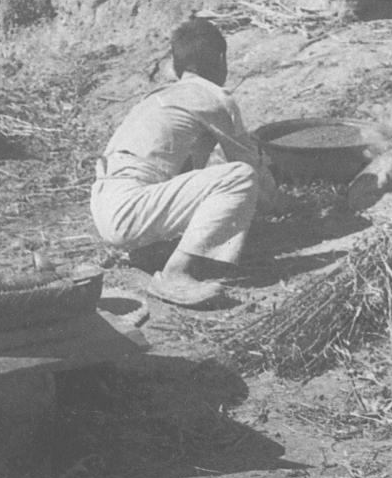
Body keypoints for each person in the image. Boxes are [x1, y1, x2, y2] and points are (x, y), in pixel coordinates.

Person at [90, 17, 284, 308]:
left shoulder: (161, 98)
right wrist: (281, 201)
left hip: (106, 204)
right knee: (238, 176)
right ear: (220, 59)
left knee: (195, 170)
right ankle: (175, 274)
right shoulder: (212, 96)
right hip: (129, 207)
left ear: (178, 65)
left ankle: (151, 250)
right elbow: (249, 168)